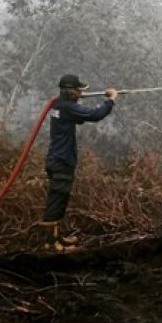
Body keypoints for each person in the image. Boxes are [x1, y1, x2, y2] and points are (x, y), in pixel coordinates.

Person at [38, 74, 118, 251]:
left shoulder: (60, 105)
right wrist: (110, 100)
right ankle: (50, 244)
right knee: (56, 203)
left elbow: (80, 117)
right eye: (78, 90)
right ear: (68, 90)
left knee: (60, 201)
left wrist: (82, 102)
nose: (81, 92)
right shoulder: (66, 107)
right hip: (61, 162)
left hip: (58, 160)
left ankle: (58, 238)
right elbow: (95, 115)